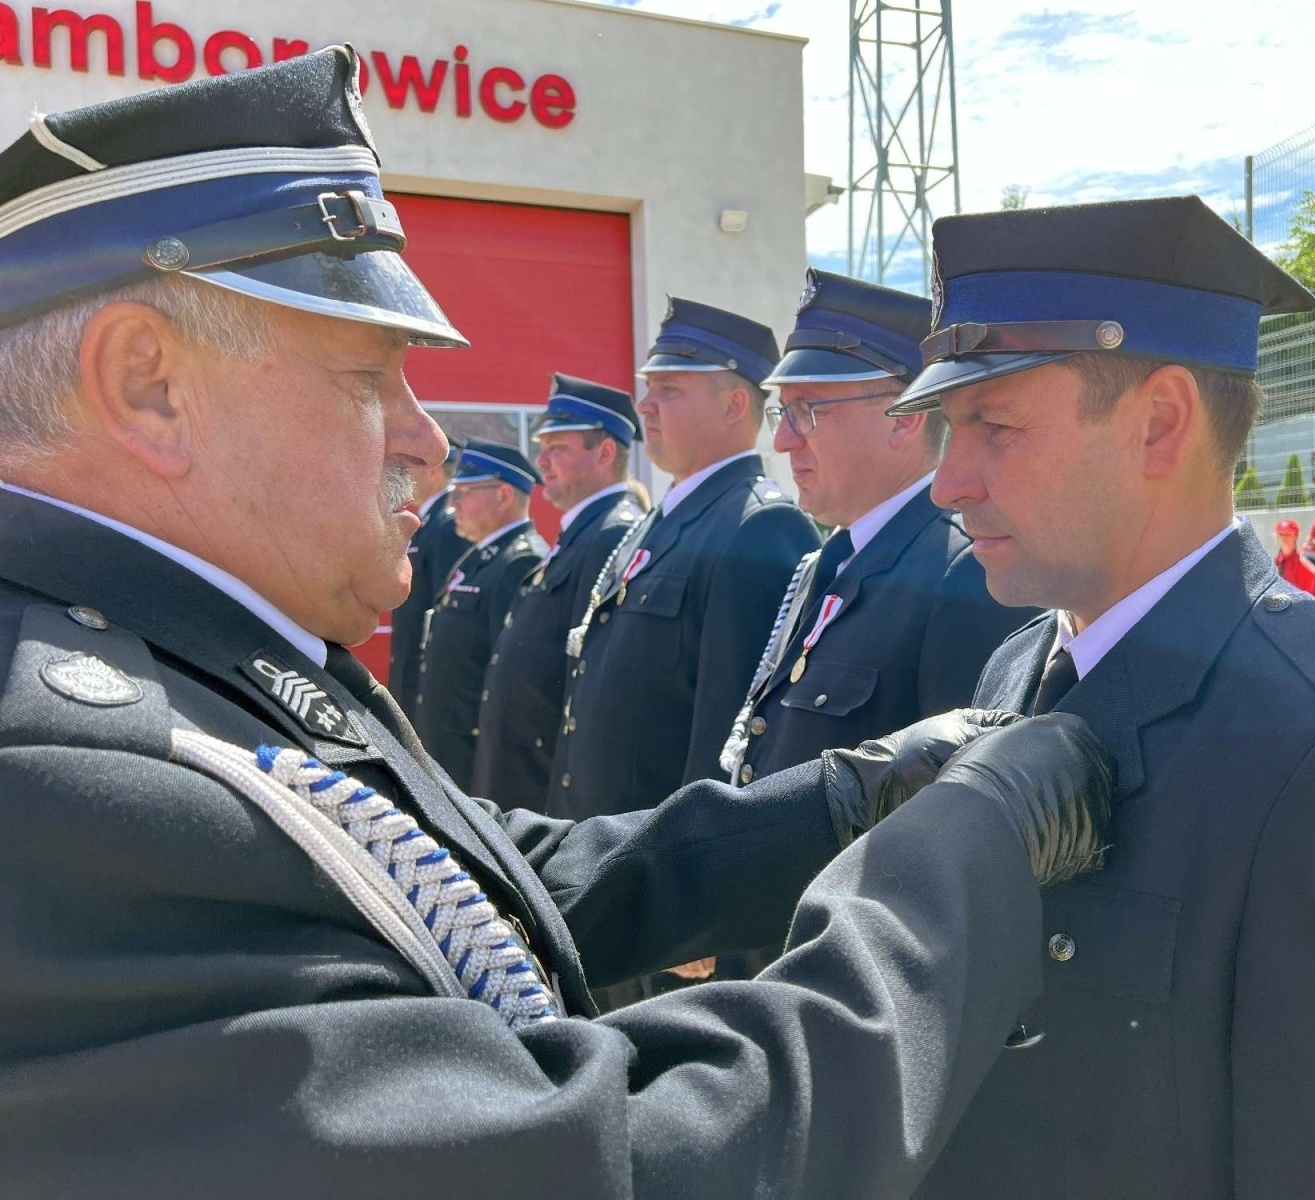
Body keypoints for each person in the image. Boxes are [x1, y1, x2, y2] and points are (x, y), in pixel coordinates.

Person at [0, 51, 1119, 1193]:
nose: (428, 440)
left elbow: (455, 886)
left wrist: (843, 802)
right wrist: (961, 859)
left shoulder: (150, 660)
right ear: (146, 385)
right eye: (370, 376)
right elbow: (615, 1164)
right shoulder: (61, 775)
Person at [884, 195, 1315, 1197]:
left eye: (991, 424)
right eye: (947, 430)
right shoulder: (1019, 668)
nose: (946, 483)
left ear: (1160, 424)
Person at [719, 269, 1039, 980]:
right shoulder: (830, 562)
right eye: (782, 413)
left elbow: (956, 843)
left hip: (844, 984)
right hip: (770, 961)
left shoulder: (962, 574)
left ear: (903, 417)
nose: (784, 442)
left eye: (809, 411)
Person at [548, 298, 822, 823]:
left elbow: (727, 743)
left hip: (652, 850)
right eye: (649, 388)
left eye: (668, 390)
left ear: (734, 406)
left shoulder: (759, 527)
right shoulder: (657, 520)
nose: (644, 405)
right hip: (595, 837)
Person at [473, 375, 646, 805]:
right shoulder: (584, 532)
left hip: (545, 777)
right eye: (542, 447)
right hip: (525, 770)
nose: (542, 461)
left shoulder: (612, 534)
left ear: (605, 453)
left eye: (557, 448)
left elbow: (588, 677)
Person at [412, 440, 546, 789]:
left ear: (503, 495)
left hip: (472, 753)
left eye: (464, 492)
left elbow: (507, 675)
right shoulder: (479, 557)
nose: (452, 503)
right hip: (448, 744)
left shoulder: (520, 561)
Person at [388, 437, 469, 715]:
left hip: (425, 674)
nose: (402, 476)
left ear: (433, 472)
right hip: (412, 666)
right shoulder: (431, 522)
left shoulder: (447, 526)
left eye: (407, 469)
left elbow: (442, 609)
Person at [1270, 517, 1315, 590]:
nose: (1284, 537)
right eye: (1281, 534)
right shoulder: (1273, 565)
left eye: (1288, 534)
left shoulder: (1303, 565)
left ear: (1296, 536)